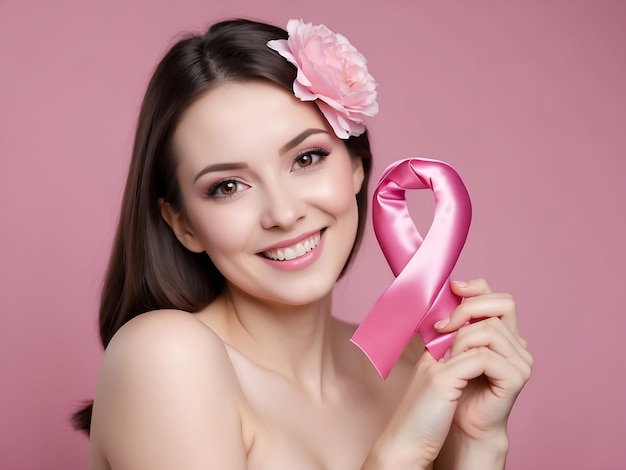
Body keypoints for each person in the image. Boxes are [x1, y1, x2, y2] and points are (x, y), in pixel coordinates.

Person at [72, 18, 532, 469]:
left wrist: (478, 443)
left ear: (356, 165)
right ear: (182, 223)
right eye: (228, 186)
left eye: (306, 158)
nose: (283, 213)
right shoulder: (165, 359)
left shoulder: (416, 369)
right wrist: (396, 457)